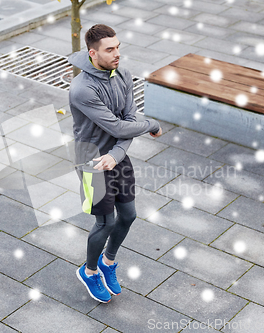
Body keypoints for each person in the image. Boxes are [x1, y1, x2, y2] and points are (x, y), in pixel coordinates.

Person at [68, 24, 162, 303]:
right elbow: (120, 128)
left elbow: (129, 120)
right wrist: (153, 124)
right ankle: (90, 270)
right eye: (110, 50)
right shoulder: (82, 89)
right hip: (93, 162)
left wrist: (118, 154)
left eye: (118, 46)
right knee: (105, 222)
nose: (117, 53)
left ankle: (108, 263)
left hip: (116, 156)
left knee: (129, 215)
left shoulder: (122, 73)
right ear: (93, 53)